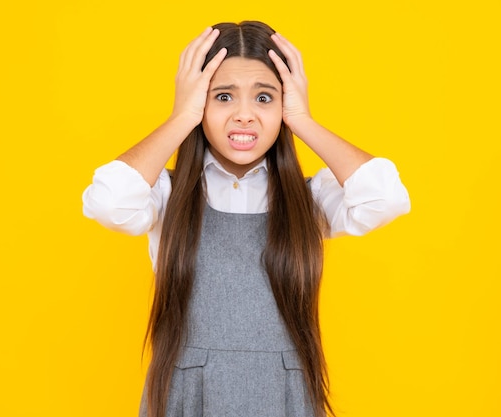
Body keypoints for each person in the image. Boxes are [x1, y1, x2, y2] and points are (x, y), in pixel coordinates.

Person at [82, 21, 410, 417]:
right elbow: (106, 201)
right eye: (222, 96)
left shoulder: (308, 199)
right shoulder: (166, 194)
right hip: (186, 399)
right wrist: (181, 117)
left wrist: (302, 120)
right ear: (199, 101)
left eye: (264, 98)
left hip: (286, 400)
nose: (244, 116)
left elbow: (387, 197)